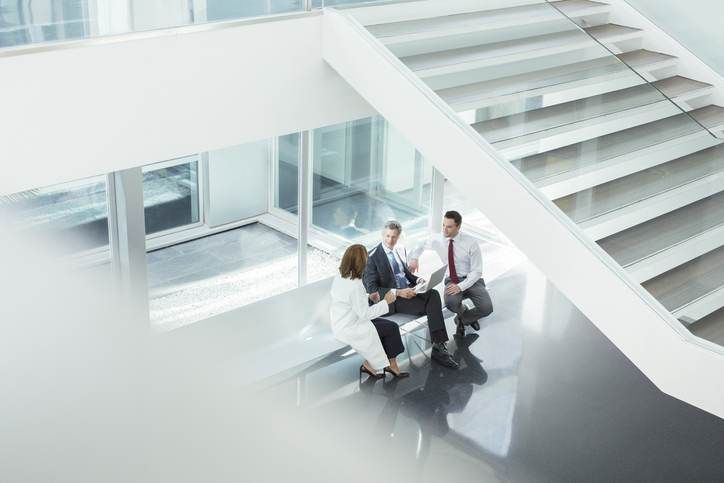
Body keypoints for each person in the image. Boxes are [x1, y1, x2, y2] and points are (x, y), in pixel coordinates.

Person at [363, 221, 459, 369]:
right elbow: (372, 290)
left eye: (394, 237)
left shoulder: (398, 250)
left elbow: (405, 273)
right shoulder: (372, 257)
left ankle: (439, 345)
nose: (390, 240)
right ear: (383, 235)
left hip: (407, 291)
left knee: (433, 293)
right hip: (390, 300)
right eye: (387, 236)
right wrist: (399, 292)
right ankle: (439, 348)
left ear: (398, 236)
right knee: (431, 303)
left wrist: (417, 280)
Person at [330, 244, 410, 380]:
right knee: (391, 328)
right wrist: (386, 301)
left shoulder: (341, 276)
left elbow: (350, 302)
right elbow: (364, 314)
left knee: (386, 327)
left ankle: (372, 365)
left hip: (342, 321)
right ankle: (388, 364)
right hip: (351, 326)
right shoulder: (355, 285)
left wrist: (368, 297)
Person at [409, 211, 493, 337]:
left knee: (487, 308)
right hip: (452, 279)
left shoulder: (470, 243)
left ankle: (462, 319)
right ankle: (463, 311)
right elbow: (421, 242)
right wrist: (414, 258)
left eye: (449, 227)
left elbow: (477, 271)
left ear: (458, 226)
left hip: (472, 280)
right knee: (451, 303)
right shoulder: (438, 239)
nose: (444, 229)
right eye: (443, 225)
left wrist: (460, 287)